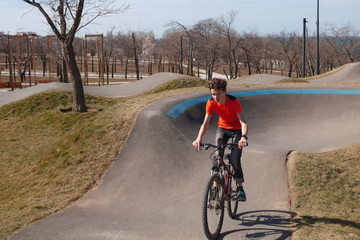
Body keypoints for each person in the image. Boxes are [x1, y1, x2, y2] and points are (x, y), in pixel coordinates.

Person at [192, 78, 248, 201]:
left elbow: (243, 122)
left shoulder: (233, 101)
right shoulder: (211, 102)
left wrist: (243, 137)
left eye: (218, 93)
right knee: (217, 156)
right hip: (222, 129)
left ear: (225, 91)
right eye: (213, 94)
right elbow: (205, 124)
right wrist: (198, 139)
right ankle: (215, 186)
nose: (216, 97)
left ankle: (239, 187)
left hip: (237, 131)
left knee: (234, 159)